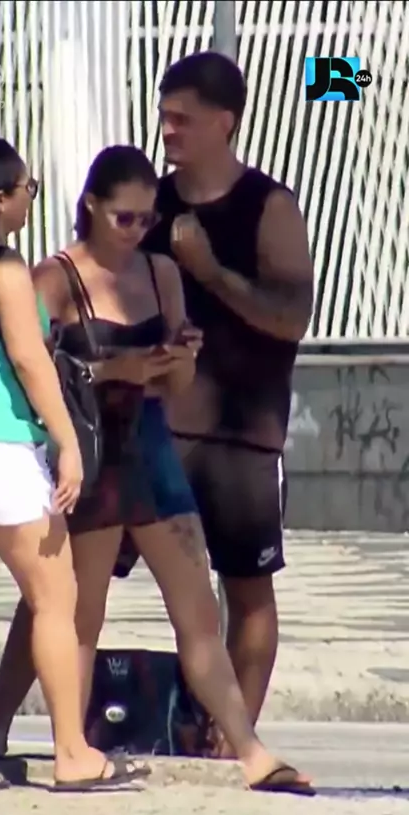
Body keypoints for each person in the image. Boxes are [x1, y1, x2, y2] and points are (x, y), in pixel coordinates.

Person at [0, 144, 313, 793]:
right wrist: (111, 371)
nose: (136, 231)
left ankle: (251, 751)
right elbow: (27, 375)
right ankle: (42, 739)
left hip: (150, 447)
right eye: (123, 218)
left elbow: (177, 385)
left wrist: (178, 361)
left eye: (147, 219)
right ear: (92, 207)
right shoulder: (54, 278)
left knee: (197, 614)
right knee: (75, 613)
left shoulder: (161, 274)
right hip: (92, 454)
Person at [0, 135, 147, 792]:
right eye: (27, 188)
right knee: (55, 598)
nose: (31, 198)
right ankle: (71, 752)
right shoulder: (2, 269)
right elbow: (29, 361)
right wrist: (67, 441)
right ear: (0, 199)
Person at [144, 51, 315, 750]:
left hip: (242, 436)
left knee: (246, 587)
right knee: (70, 573)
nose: (168, 130)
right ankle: (28, 724)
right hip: (154, 428)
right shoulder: (150, 204)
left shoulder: (268, 206)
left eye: (182, 119)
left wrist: (210, 273)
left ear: (226, 122)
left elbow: (291, 317)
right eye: (163, 116)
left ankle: (231, 735)